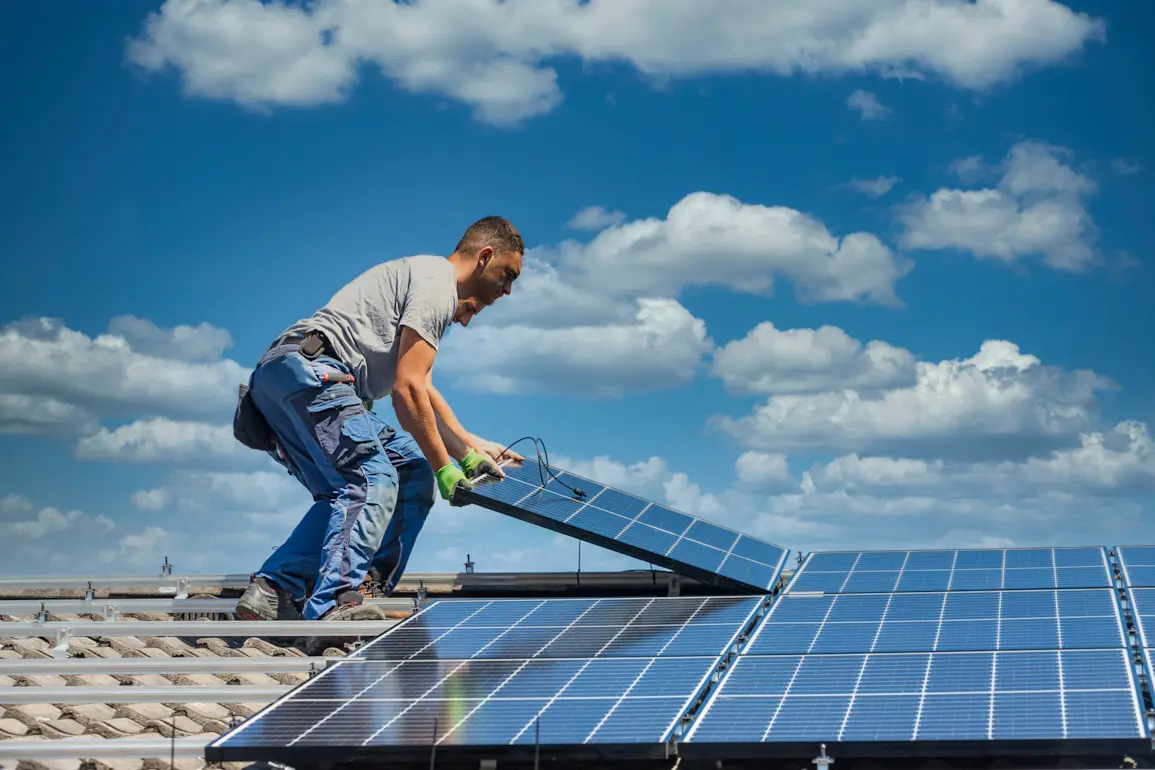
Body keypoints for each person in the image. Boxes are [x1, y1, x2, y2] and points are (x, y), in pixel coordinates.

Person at [231, 216, 526, 649]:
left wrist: (469, 447)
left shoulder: (424, 281)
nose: (508, 291)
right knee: (372, 478)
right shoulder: (437, 285)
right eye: (508, 276)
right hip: (315, 373)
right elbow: (407, 391)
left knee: (405, 471)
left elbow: (421, 386)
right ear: (485, 257)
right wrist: (447, 467)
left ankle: (276, 591)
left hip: (283, 379)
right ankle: (337, 603)